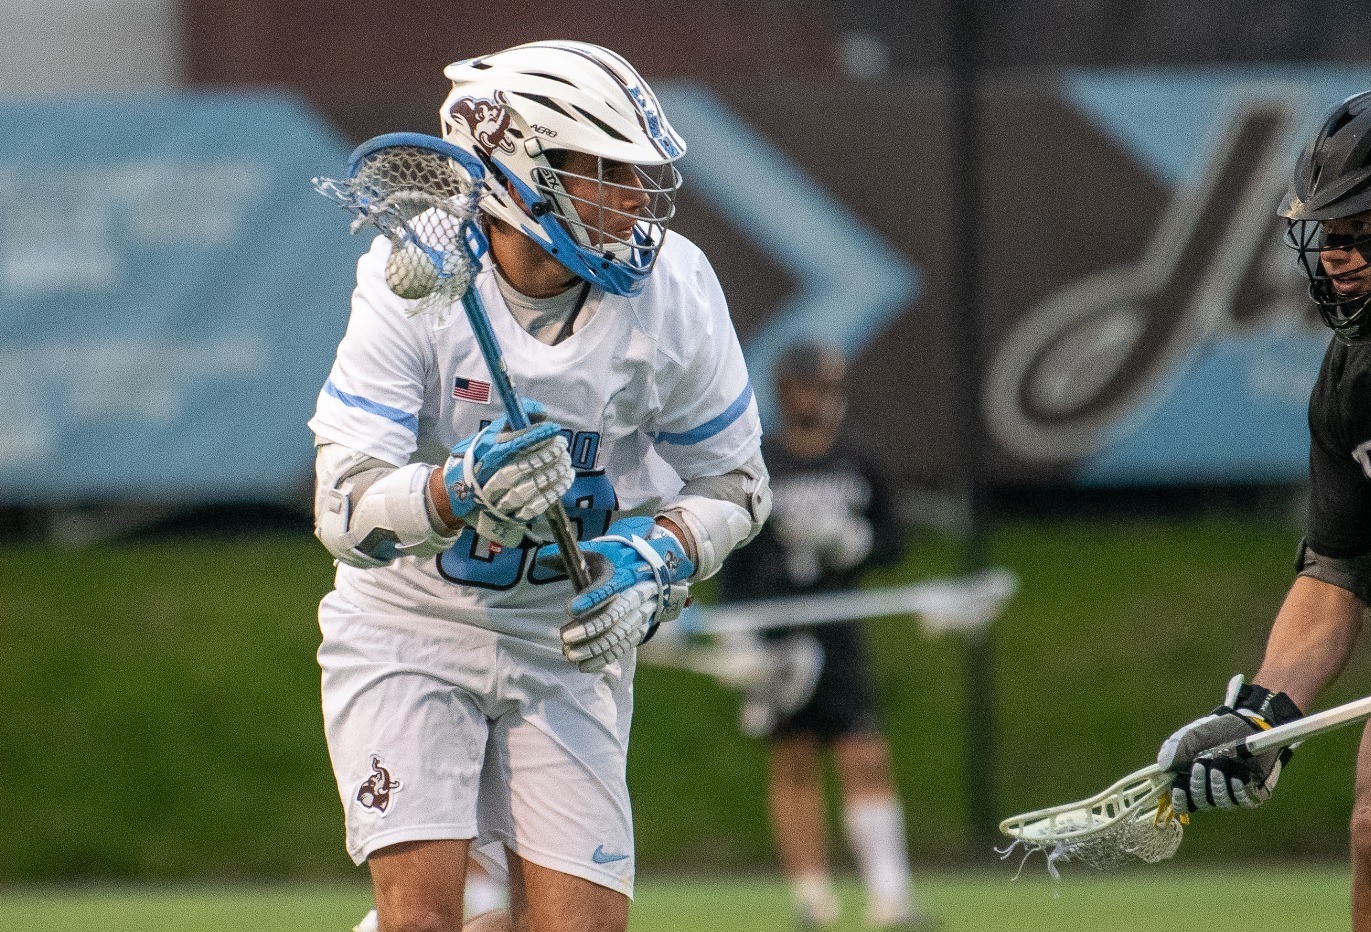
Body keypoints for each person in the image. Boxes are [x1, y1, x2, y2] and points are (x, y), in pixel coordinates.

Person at [307, 40, 769, 932]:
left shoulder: (675, 287)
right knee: (424, 920)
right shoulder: (417, 275)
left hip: (567, 638)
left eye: (640, 173)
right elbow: (341, 508)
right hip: (411, 624)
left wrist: (654, 560)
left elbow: (738, 488)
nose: (637, 199)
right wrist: (455, 490)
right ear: (519, 172)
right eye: (607, 171)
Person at [1156, 72, 1371, 932]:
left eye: (1363, 228)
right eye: (1327, 232)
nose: (1338, 255)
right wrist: (1261, 713)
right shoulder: (1353, 384)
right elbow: (1334, 573)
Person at [715, 342, 930, 931]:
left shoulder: (858, 456)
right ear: (786, 391)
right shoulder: (763, 460)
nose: (814, 399)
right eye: (804, 387)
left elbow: (893, 539)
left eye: (823, 386)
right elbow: (737, 550)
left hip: (840, 631)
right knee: (794, 760)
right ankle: (813, 899)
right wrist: (738, 632)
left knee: (864, 754)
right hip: (777, 632)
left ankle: (891, 896)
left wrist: (856, 542)